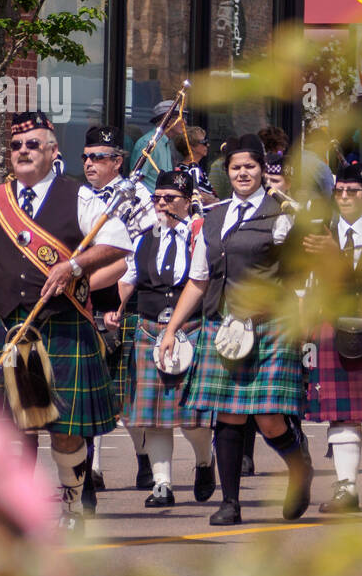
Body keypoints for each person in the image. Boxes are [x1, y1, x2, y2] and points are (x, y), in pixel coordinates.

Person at [0, 112, 132, 532]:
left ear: (53, 152)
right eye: (16, 147)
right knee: (18, 427)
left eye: (33, 145)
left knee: (65, 430)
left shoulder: (79, 198)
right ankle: (17, 511)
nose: (23, 152)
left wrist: (73, 265)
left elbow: (117, 245)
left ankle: (71, 505)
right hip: (8, 326)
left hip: (61, 324)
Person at [158, 132, 313, 525]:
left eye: (250, 166)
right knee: (227, 414)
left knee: (268, 418)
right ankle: (230, 503)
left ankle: (299, 469)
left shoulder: (284, 214)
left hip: (271, 323)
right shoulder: (212, 217)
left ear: (262, 171)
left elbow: (302, 275)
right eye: (236, 167)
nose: (243, 173)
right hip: (223, 324)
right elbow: (198, 279)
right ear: (227, 173)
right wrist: (173, 328)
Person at [105, 170, 216, 508]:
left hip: (191, 329)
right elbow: (129, 278)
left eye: (171, 199)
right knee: (153, 416)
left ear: (187, 201)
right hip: (149, 328)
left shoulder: (201, 236)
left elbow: (204, 282)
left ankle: (204, 463)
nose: (162, 205)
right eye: (158, 198)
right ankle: (162, 485)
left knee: (193, 419)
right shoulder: (143, 238)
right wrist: (117, 306)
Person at [300, 162, 362, 513]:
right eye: (339, 191)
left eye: (352, 191)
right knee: (340, 414)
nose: (344, 197)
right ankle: (346, 490)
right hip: (330, 324)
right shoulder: (320, 231)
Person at [79, 125, 156, 494]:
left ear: (117, 161)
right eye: (86, 157)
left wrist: (120, 304)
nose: (90, 164)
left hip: (124, 300)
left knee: (124, 392)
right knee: (90, 388)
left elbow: (139, 256)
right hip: (81, 298)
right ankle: (91, 468)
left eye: (98, 157)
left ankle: (144, 460)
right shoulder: (78, 195)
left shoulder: (138, 197)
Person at [130, 100, 184, 193]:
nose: (185, 122)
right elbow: (136, 180)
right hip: (149, 203)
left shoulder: (166, 142)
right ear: (168, 122)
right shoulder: (148, 143)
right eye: (180, 118)